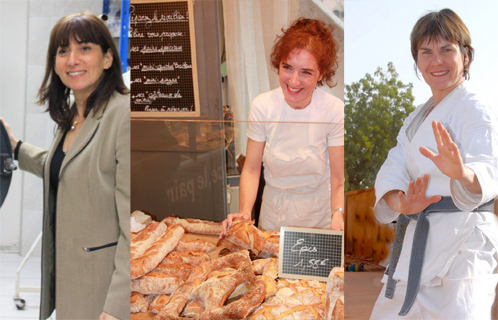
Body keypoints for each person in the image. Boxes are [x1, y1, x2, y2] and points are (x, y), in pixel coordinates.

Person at [371, 9, 498, 319]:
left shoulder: (475, 109)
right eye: (425, 51)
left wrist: (462, 173)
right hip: (417, 239)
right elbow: (392, 170)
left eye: (446, 50)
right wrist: (402, 202)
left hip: (463, 245)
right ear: (417, 60)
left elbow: (489, 168)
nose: (436, 61)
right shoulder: (415, 120)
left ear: (465, 56)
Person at [1, 13, 130, 320]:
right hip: (70, 281)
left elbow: (131, 222)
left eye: (84, 48)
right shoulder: (75, 114)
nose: (72, 60)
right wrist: (15, 147)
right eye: (62, 51)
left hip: (102, 290)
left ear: (108, 57)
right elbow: (66, 168)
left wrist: (115, 306)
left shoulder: (122, 115)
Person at [220, 18, 344, 237]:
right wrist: (245, 213)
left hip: (318, 222)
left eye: (306, 72)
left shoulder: (333, 110)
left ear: (321, 74)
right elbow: (251, 169)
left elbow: (338, 178)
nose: (294, 81)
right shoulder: (263, 106)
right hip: (272, 221)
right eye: (287, 68)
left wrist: (338, 213)